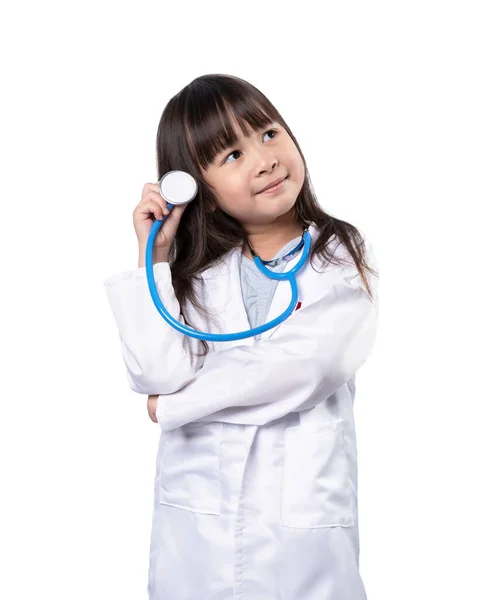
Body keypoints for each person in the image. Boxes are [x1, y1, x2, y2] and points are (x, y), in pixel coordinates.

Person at [104, 73, 380, 600]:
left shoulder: (340, 256)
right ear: (199, 193)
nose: (264, 158)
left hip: (301, 549)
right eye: (232, 154)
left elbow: (307, 368)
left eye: (269, 133)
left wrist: (175, 407)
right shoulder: (191, 277)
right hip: (197, 544)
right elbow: (157, 374)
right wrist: (156, 256)